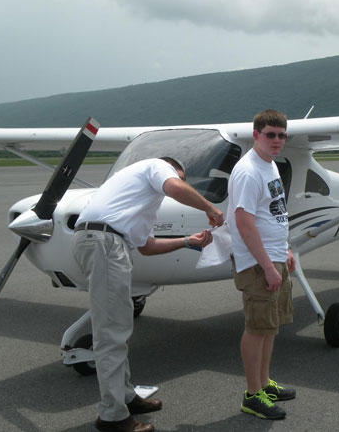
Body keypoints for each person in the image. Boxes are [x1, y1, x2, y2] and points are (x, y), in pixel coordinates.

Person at [73, 157, 224, 432]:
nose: (180, 182)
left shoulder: (134, 201)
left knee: (118, 329)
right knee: (110, 334)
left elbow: (147, 247)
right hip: (105, 244)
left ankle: (126, 398)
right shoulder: (157, 165)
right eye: (180, 176)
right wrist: (210, 208)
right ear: (172, 168)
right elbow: (174, 187)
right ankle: (112, 417)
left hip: (103, 243)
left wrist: (189, 241)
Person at [227, 109, 297, 420]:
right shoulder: (248, 171)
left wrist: (285, 249)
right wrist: (268, 266)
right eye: (271, 134)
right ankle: (252, 395)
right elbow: (244, 223)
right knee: (256, 328)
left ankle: (265, 383)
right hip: (258, 263)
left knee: (270, 326)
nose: (277, 140)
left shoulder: (270, 166)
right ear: (256, 135)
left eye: (282, 135)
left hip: (274, 256)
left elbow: (274, 212)